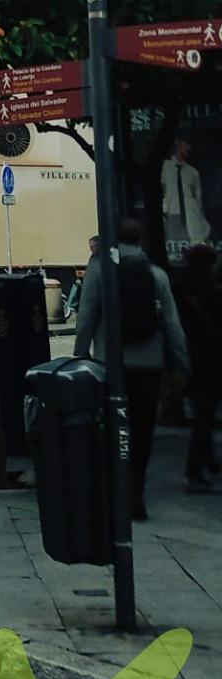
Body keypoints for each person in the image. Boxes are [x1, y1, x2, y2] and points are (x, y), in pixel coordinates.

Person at [75, 217, 191, 519]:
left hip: (110, 366)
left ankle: (115, 492)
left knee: (112, 429)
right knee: (142, 431)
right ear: (141, 240)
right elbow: (172, 326)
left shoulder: (101, 271)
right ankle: (136, 493)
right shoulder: (156, 275)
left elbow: (86, 317)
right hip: (148, 366)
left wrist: (79, 357)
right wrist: (181, 364)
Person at [174, 244, 222, 493]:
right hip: (210, 359)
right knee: (205, 415)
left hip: (188, 357)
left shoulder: (179, 287)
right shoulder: (210, 291)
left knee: (201, 412)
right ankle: (195, 470)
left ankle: (209, 461)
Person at [163, 137, 210, 258]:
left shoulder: (192, 172)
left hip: (190, 215)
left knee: (193, 246)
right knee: (173, 248)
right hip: (171, 214)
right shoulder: (164, 168)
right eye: (187, 144)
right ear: (177, 143)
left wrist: (200, 217)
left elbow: (198, 198)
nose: (189, 148)